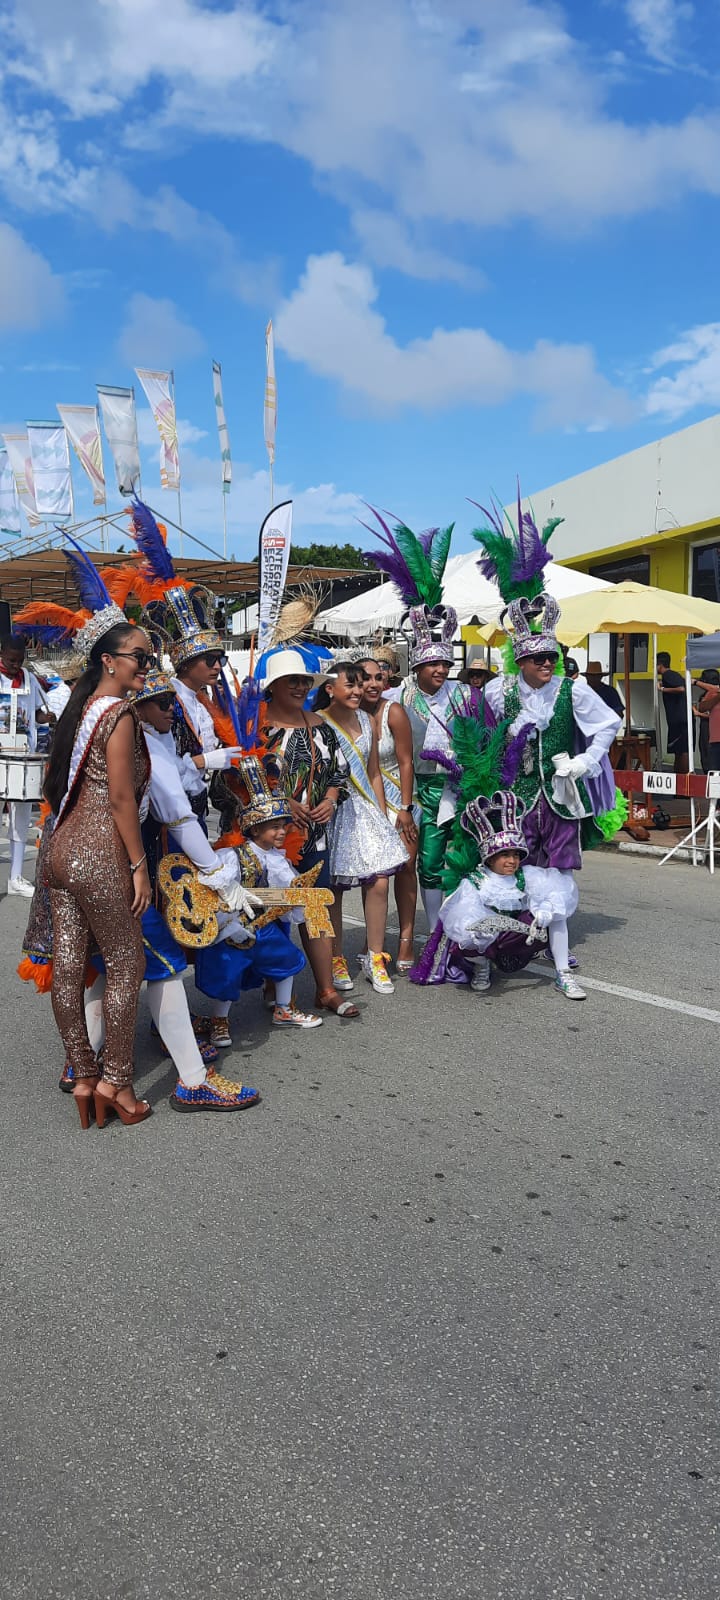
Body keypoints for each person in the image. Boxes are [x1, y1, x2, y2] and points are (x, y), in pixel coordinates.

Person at [471, 495, 624, 1000]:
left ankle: (559, 964)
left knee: (553, 881)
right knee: (505, 878)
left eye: (549, 656)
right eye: (535, 657)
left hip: (557, 801)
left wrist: (584, 761)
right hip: (512, 800)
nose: (544, 664)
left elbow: (608, 724)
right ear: (520, 658)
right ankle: (491, 958)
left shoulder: (572, 690)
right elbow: (482, 740)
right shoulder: (499, 690)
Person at [43, 610, 154, 1128]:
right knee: (127, 964)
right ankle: (119, 1082)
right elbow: (120, 797)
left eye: (151, 658)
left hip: (61, 849)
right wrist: (138, 865)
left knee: (68, 965)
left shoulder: (79, 708)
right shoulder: (118, 714)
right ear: (108, 660)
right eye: (140, 657)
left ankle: (84, 1076)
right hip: (100, 852)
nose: (147, 666)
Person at [194, 752, 323, 1032]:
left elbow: (289, 890)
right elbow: (216, 889)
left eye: (283, 826)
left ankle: (284, 1008)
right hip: (234, 927)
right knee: (227, 973)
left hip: (264, 926)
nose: (281, 832)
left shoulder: (277, 859)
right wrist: (228, 924)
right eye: (274, 827)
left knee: (287, 959)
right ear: (254, 829)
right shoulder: (231, 856)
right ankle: (219, 1021)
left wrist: (300, 898)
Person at [263, 649, 359, 1019]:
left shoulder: (318, 725)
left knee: (316, 906)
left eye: (305, 681)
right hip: (268, 840)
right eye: (294, 681)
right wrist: (283, 803)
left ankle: (326, 990)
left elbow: (340, 773)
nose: (302, 687)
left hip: (315, 835)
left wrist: (331, 799)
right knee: (272, 910)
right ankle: (274, 986)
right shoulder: (257, 726)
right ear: (275, 687)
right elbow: (238, 778)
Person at [411, 791, 577, 995]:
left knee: (556, 912)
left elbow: (555, 894)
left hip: (517, 943)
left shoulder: (525, 876)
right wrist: (478, 934)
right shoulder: (477, 882)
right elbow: (462, 916)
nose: (512, 861)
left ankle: (563, 972)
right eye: (505, 855)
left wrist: (544, 910)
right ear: (490, 857)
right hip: (489, 944)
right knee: (466, 942)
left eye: (516, 855)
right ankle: (482, 965)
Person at [316, 661, 408, 994]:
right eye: (350, 685)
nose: (358, 691)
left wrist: (383, 815)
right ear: (330, 689)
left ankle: (374, 957)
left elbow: (373, 774)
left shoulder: (368, 721)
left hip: (367, 808)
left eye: (360, 685)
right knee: (335, 890)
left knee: (379, 882)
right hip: (335, 812)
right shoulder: (318, 724)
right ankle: (337, 957)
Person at [358, 651, 418, 971]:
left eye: (379, 677)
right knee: (374, 876)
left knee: (406, 868)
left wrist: (406, 808)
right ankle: (374, 945)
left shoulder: (393, 711)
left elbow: (407, 761)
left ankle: (406, 938)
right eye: (365, 678)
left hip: (399, 798)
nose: (372, 683)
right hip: (364, 802)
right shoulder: (348, 713)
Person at [0, 633, 52, 895]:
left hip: (21, 756)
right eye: (11, 660)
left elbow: (38, 714)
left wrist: (47, 717)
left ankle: (16, 878)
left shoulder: (29, 679)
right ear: (2, 653)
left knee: (20, 821)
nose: (14, 665)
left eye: (19, 660)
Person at [657, 650, 692, 775]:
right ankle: (679, 781)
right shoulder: (672, 676)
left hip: (679, 719)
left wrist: (663, 689)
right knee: (678, 750)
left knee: (682, 750)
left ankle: (684, 783)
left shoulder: (668, 675)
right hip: (678, 719)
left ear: (660, 665)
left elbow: (681, 688)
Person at [694, 669, 720, 773]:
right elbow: (703, 707)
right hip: (712, 736)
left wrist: (697, 713)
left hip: (710, 730)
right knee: (709, 763)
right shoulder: (709, 694)